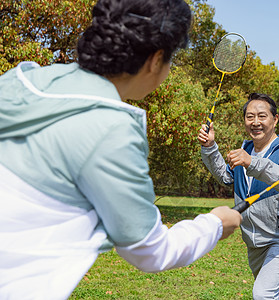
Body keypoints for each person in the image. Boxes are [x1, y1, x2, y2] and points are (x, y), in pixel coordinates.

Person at [0, 0, 241, 298]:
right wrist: (214, 223)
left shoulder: (23, 77)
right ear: (155, 60)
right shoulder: (111, 128)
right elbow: (148, 249)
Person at [198, 93, 279, 299]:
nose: (255, 122)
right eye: (250, 116)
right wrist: (209, 146)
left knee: (263, 295)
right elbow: (226, 177)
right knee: (267, 294)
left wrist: (251, 163)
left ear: (275, 119)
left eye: (262, 116)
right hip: (254, 241)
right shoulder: (245, 148)